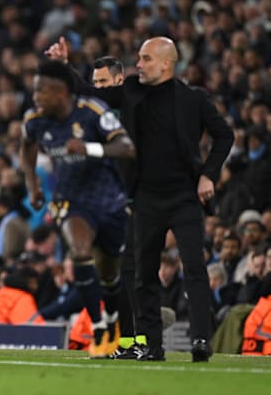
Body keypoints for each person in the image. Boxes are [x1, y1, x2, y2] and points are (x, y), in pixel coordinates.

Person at [55, 36, 234, 362]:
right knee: (143, 276)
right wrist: (64, 66)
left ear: (166, 63)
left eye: (146, 58)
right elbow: (90, 93)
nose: (138, 64)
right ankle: (153, 346)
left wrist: (209, 173)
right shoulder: (132, 90)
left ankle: (200, 341)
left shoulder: (193, 99)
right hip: (145, 198)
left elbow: (225, 135)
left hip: (184, 196)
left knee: (194, 268)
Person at [20, 60, 136, 358]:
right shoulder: (35, 120)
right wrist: (32, 186)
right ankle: (98, 325)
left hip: (108, 200)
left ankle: (111, 318)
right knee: (80, 252)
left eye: (40, 92)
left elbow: (127, 148)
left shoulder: (93, 111)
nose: (35, 98)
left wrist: (90, 149)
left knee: (110, 273)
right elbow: (27, 149)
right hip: (70, 199)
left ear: (60, 93)